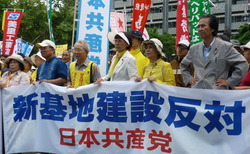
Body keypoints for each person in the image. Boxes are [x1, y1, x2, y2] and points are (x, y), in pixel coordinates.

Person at [180, 14, 248, 89]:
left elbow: (243, 64)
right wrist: (188, 79)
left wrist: (230, 81)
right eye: (198, 26)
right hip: (198, 91)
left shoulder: (225, 47)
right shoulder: (194, 48)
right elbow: (183, 65)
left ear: (212, 29)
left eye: (203, 26)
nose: (199, 29)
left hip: (217, 92)